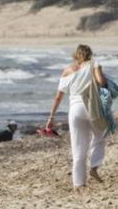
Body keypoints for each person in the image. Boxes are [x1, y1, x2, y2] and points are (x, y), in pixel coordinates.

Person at [46, 44, 108, 189]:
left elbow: (58, 97)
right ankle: (94, 167)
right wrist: (99, 70)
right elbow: (101, 82)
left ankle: (78, 184)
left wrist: (51, 117)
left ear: (76, 55)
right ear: (90, 54)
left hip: (75, 110)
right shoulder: (93, 65)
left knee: (78, 148)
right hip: (90, 107)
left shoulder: (67, 71)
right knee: (99, 136)